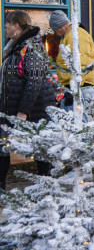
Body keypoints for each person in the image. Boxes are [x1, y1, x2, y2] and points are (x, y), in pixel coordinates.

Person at [0, 11, 56, 190]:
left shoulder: (32, 47)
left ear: (17, 25)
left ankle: (45, 187)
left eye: (7, 24)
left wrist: (23, 112)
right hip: (11, 106)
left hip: (35, 109)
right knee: (3, 145)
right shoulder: (14, 46)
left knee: (40, 149)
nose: (5, 27)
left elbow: (34, 82)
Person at [48, 10, 94, 121]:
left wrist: (74, 88)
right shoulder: (69, 36)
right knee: (72, 124)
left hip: (78, 88)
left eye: (55, 30)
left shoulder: (76, 36)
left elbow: (81, 63)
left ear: (60, 26)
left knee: (78, 124)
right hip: (74, 87)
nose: (56, 33)